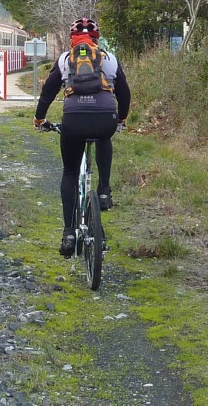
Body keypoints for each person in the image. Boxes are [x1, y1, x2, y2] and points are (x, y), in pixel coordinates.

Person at [33, 18, 131, 257]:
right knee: (104, 137)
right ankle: (104, 191)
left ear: (71, 40)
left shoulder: (65, 60)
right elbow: (125, 93)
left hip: (73, 122)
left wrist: (40, 120)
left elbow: (47, 93)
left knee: (69, 171)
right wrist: (120, 119)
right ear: (97, 39)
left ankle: (68, 232)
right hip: (104, 120)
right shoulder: (109, 59)